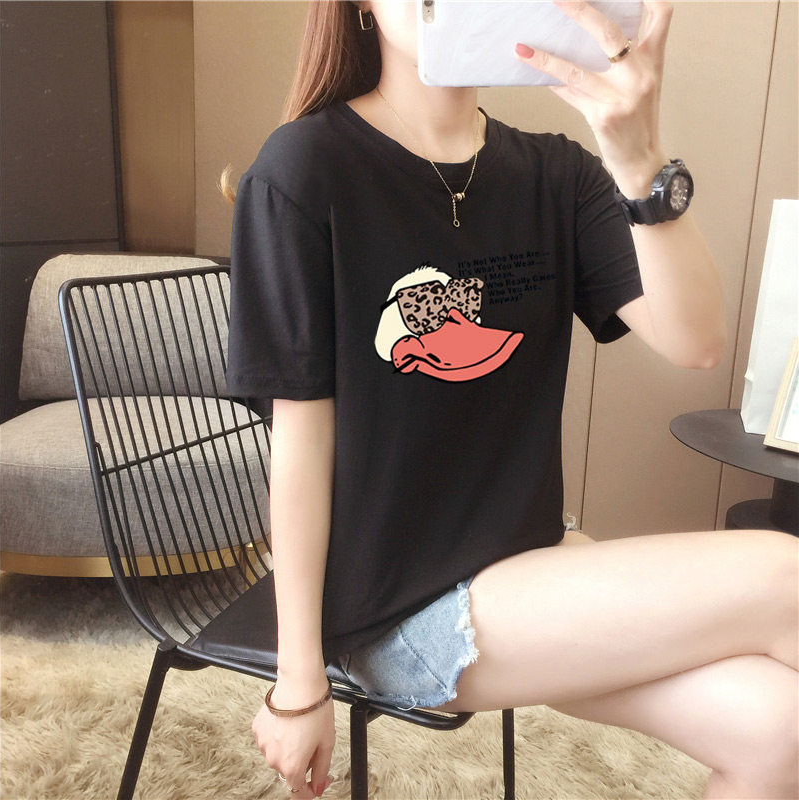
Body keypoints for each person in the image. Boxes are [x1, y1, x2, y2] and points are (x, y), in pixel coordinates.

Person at [220, 2, 799, 798]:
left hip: (533, 562)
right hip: (398, 606)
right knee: (788, 575)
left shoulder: (556, 173)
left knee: (781, 727)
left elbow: (695, 342)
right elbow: (301, 446)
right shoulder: (304, 168)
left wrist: (640, 162)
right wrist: (298, 681)